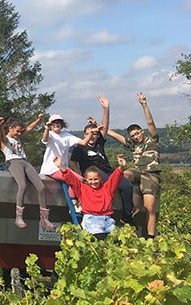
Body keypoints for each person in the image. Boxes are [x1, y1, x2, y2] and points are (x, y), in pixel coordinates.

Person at [70, 96, 136, 225]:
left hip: (108, 170)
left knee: (127, 186)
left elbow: (105, 127)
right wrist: (79, 175)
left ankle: (127, 215)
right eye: (90, 133)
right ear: (85, 135)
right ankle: (102, 211)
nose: (93, 136)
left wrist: (106, 109)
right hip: (93, 173)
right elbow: (72, 162)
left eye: (95, 133)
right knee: (104, 180)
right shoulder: (80, 147)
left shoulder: (100, 143)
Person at [106, 92, 161, 238]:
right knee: (119, 176)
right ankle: (130, 207)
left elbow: (150, 123)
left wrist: (144, 105)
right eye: (133, 136)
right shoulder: (133, 145)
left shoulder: (152, 140)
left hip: (150, 174)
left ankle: (150, 236)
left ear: (142, 131)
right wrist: (100, 127)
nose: (136, 137)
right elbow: (117, 136)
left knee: (150, 207)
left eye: (137, 134)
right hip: (137, 171)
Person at [53, 154, 127, 241]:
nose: (93, 182)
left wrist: (121, 167)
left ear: (100, 179)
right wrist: (61, 167)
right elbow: (71, 179)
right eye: (90, 180)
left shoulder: (107, 188)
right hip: (92, 219)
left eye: (96, 179)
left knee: (116, 240)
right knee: (99, 240)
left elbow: (115, 178)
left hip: (107, 219)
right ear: (86, 179)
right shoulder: (82, 189)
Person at [0, 115, 52, 229]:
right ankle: (19, 217)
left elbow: (30, 128)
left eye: (20, 132)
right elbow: (1, 135)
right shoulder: (6, 140)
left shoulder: (17, 138)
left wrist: (39, 120)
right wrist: (0, 125)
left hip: (25, 162)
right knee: (22, 186)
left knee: (41, 187)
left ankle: (44, 219)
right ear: (11, 129)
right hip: (14, 162)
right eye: (17, 131)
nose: (19, 134)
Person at [39, 113, 83, 207]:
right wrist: (46, 128)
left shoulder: (66, 135)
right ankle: (74, 203)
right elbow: (45, 139)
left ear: (62, 124)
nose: (56, 124)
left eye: (58, 122)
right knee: (77, 179)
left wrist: (91, 132)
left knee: (79, 179)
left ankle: (76, 202)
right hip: (51, 168)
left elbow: (83, 142)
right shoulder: (50, 134)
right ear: (50, 125)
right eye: (53, 123)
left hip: (63, 167)